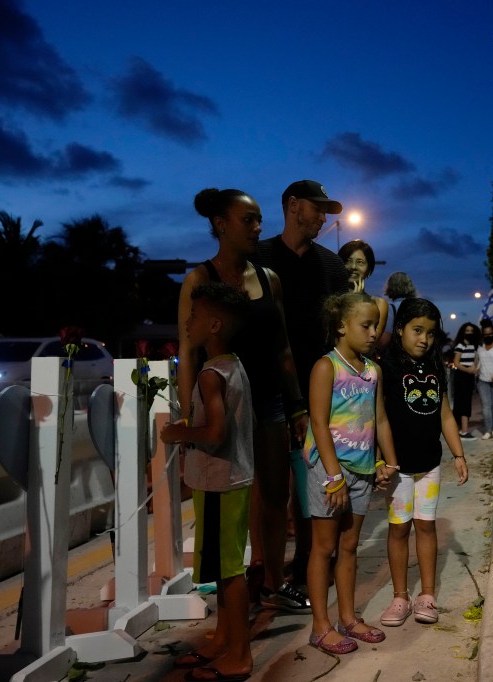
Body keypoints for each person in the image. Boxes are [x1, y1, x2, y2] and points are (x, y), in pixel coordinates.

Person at [178, 188, 309, 614]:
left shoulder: (269, 278)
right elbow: (188, 354)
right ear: (220, 223)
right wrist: (189, 419)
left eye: (258, 219)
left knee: (274, 495)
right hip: (223, 404)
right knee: (229, 499)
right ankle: (234, 589)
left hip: (268, 400)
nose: (258, 227)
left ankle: (271, 582)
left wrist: (297, 406)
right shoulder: (200, 280)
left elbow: (283, 348)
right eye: (247, 219)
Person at [252, 180, 351, 600]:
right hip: (266, 389)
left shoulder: (331, 266)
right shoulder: (257, 258)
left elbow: (342, 328)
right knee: (271, 489)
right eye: (318, 209)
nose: (324, 218)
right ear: (293, 206)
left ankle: (308, 568)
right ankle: (267, 574)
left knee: (315, 482)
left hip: (320, 388)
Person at [161, 282, 254, 682]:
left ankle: (240, 655)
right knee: (222, 568)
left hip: (219, 483)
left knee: (230, 572)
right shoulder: (233, 364)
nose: (188, 321)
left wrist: (178, 434)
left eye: (196, 316)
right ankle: (223, 640)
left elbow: (214, 433)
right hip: (231, 479)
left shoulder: (210, 374)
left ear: (214, 324)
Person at [304, 291, 400, 654]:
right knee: (324, 548)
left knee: (349, 546)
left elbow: (380, 419)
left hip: (360, 471)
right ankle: (320, 626)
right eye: (366, 325)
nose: (374, 332)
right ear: (342, 326)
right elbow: (318, 421)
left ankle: (348, 618)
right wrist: (333, 477)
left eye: (376, 325)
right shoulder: (326, 367)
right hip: (332, 472)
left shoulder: (372, 370)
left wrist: (388, 461)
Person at [378, 298, 470, 628]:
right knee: (399, 529)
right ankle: (400, 596)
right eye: (417, 330)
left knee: (426, 526)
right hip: (398, 467)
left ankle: (427, 595)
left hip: (429, 465)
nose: (424, 339)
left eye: (430, 333)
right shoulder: (385, 368)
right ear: (399, 329)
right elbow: (379, 418)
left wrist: (458, 454)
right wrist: (381, 461)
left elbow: (445, 415)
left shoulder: (435, 367)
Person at [338, 239, 389, 341]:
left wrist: (357, 302)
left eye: (360, 262)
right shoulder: (331, 300)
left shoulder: (379, 305)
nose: (353, 267)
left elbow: (370, 342)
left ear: (369, 270)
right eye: (348, 261)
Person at [449, 322, 481, 439]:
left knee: (466, 402)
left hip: (469, 377)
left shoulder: (473, 346)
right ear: (463, 332)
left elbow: (475, 361)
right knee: (462, 403)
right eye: (467, 331)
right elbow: (456, 363)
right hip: (461, 376)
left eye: (471, 331)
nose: (469, 333)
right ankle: (463, 431)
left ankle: (462, 430)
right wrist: (469, 370)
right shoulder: (460, 345)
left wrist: (475, 369)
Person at [376, 271, 417, 351]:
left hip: (397, 356)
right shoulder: (417, 307)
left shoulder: (391, 309)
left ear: (390, 287)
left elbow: (384, 341)